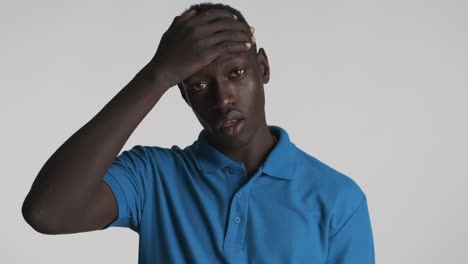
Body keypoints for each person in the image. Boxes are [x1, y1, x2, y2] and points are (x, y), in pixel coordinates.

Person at [22, 2, 375, 263]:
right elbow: (47, 212)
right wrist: (157, 74)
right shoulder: (152, 177)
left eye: (236, 73)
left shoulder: (337, 199)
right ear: (183, 93)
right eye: (200, 84)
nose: (222, 99)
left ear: (263, 68)